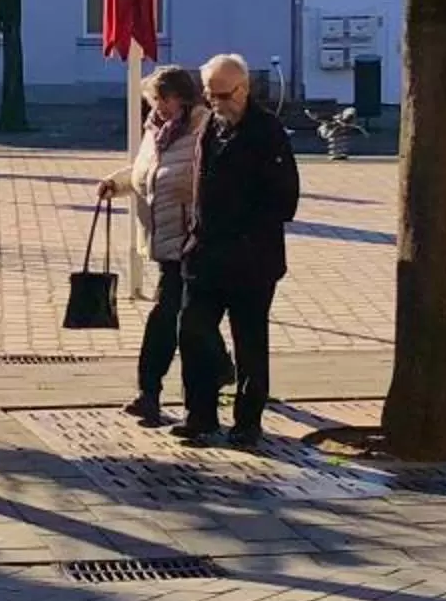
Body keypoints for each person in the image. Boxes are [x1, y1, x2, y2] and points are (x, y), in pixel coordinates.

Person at [179, 52, 300, 447]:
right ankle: (200, 416)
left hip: (251, 260)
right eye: (210, 96)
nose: (216, 103)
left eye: (224, 95)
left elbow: (285, 199)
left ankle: (247, 422)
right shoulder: (209, 127)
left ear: (244, 89)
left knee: (250, 342)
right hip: (204, 256)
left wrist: (246, 233)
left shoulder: (267, 131)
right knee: (193, 332)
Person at [98, 64, 208, 424]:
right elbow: (147, 171)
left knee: (167, 317)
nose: (158, 107)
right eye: (154, 100)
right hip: (163, 240)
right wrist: (118, 183)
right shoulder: (155, 132)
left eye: (164, 99)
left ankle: (149, 391)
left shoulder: (204, 129)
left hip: (193, 241)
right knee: (183, 316)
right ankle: (220, 369)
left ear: (184, 97)